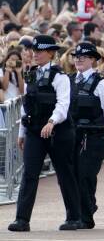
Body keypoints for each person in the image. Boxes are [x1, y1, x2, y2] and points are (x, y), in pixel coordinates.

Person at [8, 35, 81, 232]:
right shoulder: (31, 74)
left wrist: (51, 121)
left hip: (59, 131)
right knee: (29, 173)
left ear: (50, 53)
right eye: (34, 51)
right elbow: (27, 105)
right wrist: (22, 132)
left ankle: (74, 217)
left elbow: (63, 105)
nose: (35, 54)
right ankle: (22, 219)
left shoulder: (60, 77)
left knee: (64, 173)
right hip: (34, 132)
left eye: (39, 51)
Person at [68, 42, 104, 229]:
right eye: (76, 56)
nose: (79, 59)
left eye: (84, 56)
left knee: (86, 174)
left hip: (95, 135)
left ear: (93, 60)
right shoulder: (69, 80)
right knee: (72, 176)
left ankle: (86, 217)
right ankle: (80, 212)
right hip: (73, 135)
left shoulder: (102, 83)